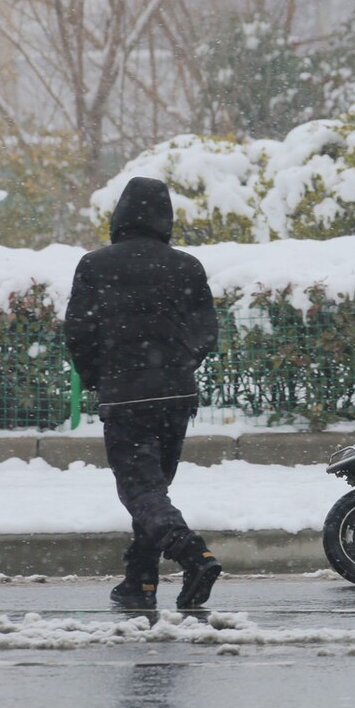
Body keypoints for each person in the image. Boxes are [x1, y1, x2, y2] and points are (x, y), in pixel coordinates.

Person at [65, 176, 222, 610]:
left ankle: (193, 553)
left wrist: (98, 376)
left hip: (126, 397)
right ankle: (141, 580)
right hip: (176, 399)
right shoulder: (186, 266)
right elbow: (207, 330)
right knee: (154, 489)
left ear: (119, 216)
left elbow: (79, 332)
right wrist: (181, 364)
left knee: (140, 491)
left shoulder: (94, 266)